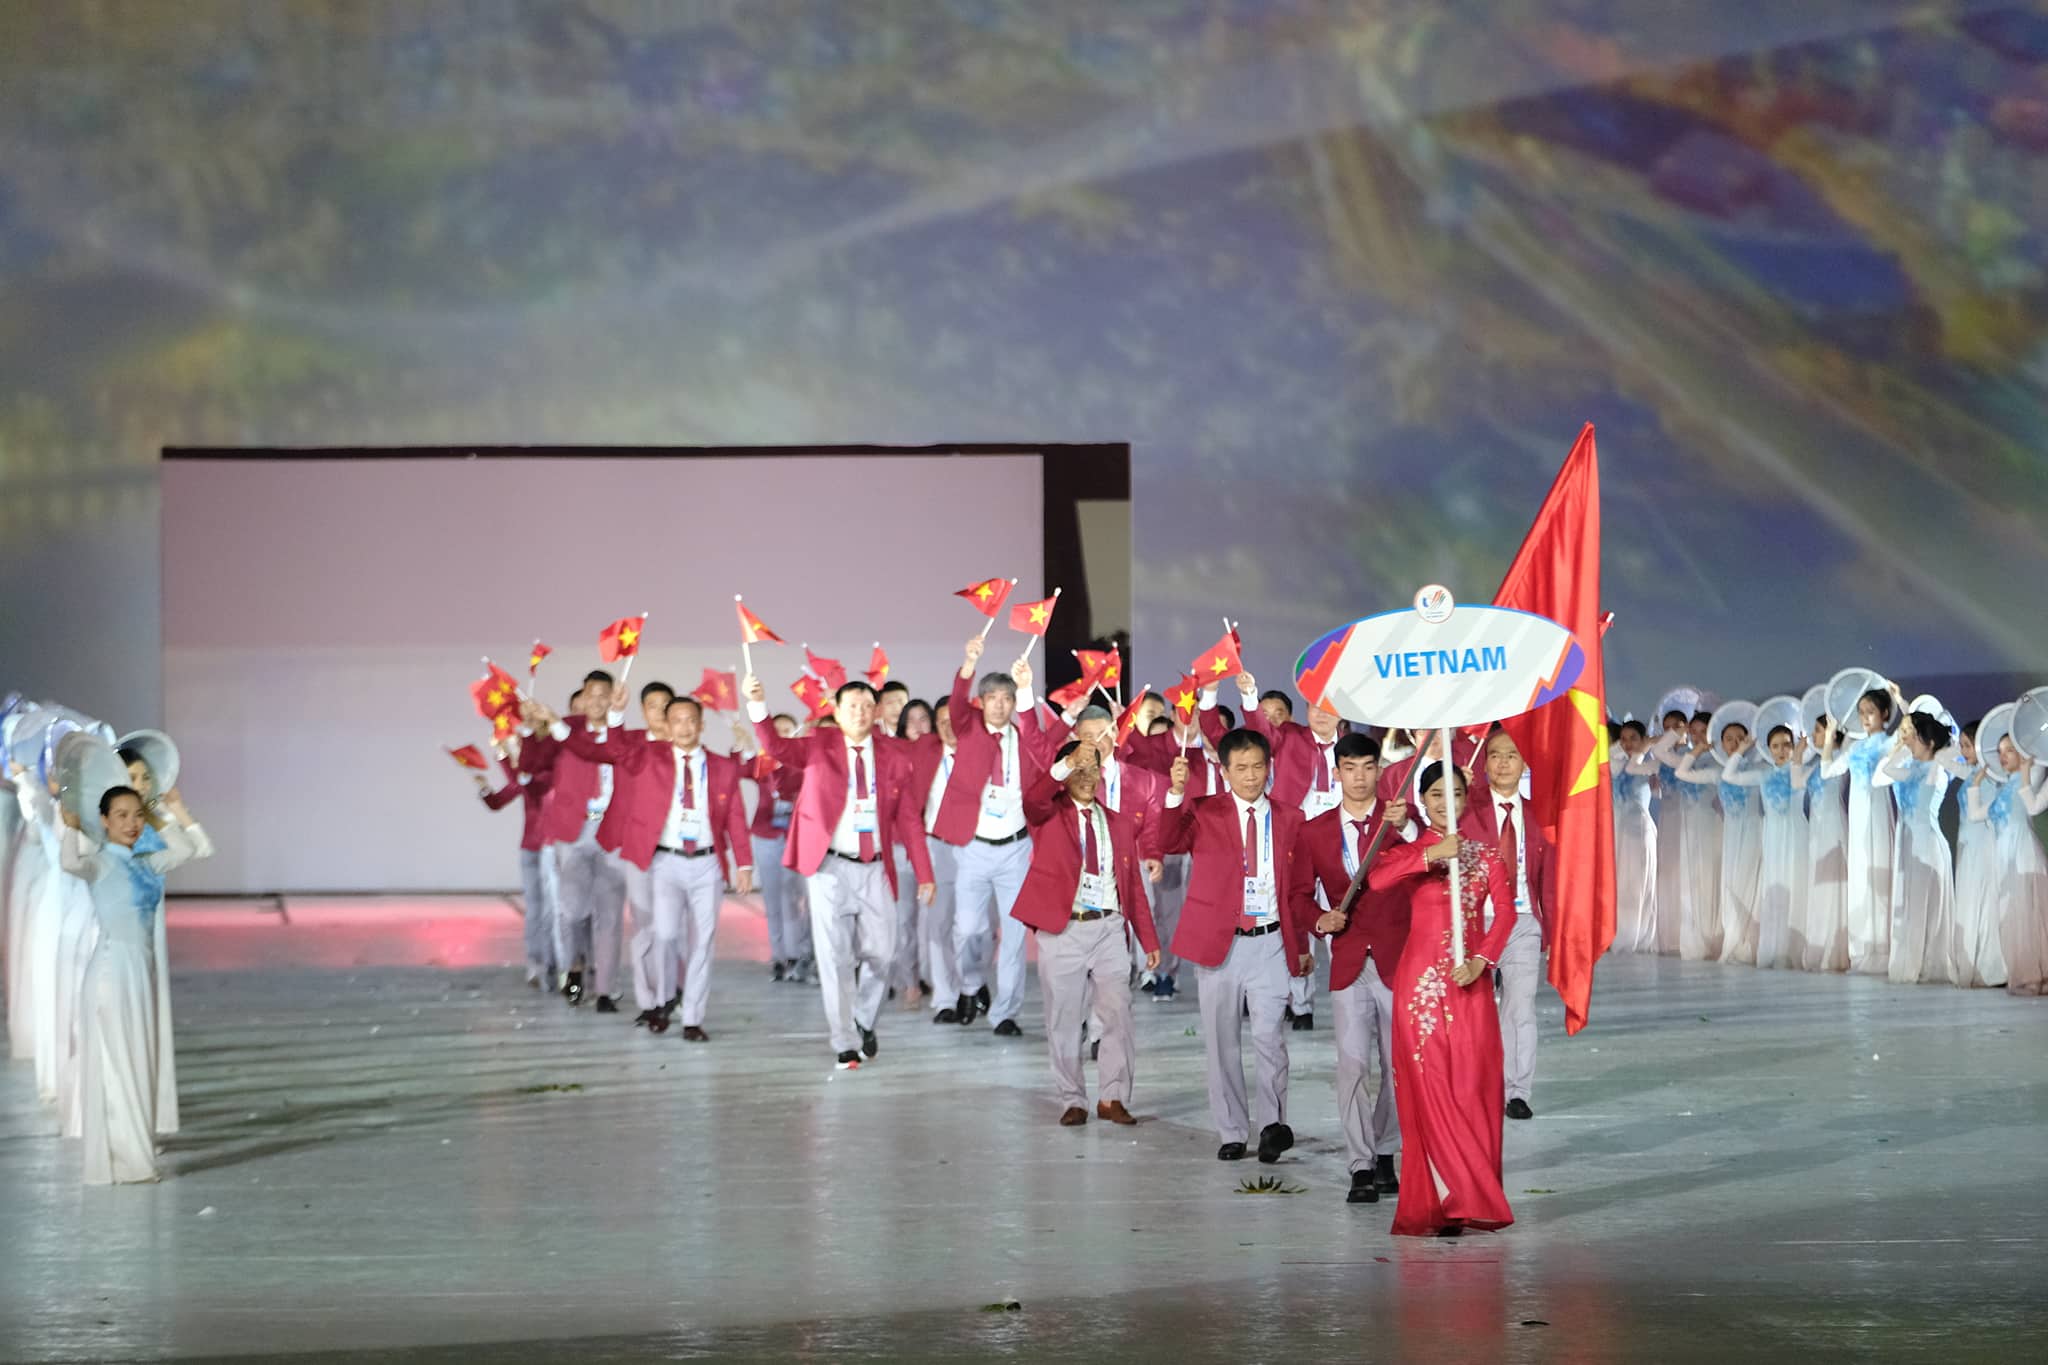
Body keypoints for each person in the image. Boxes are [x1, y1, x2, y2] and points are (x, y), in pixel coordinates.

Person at [745, 674, 934, 1070]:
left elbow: (909, 819)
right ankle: (844, 1040)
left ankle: (864, 1017)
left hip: (876, 866)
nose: (861, 713)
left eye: (867, 706)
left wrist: (925, 871)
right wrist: (758, 706)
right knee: (834, 956)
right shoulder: (819, 746)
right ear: (837, 710)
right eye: (852, 707)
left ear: (878, 711)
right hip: (830, 866)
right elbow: (777, 746)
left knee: (883, 952)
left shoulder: (896, 755)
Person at [1369, 761, 1519, 1238]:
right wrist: (1432, 855)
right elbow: (1377, 880)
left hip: (1469, 981)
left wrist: (1483, 960)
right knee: (1429, 1084)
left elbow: (1506, 917)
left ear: (1465, 798)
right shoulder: (1412, 851)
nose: (1444, 802)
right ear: (1422, 799)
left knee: (1472, 1085)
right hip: (1420, 989)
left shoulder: (1486, 855)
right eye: (1434, 794)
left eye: (1453, 793)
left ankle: (1468, 1195)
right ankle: (1443, 1195)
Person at [549, 694, 754, 1038]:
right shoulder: (648, 758)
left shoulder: (722, 767)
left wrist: (744, 862)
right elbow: (614, 749)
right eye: (678, 721)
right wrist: (615, 713)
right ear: (669, 727)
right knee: (664, 934)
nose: (685, 727)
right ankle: (660, 1002)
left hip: (707, 865)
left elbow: (735, 816)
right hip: (666, 862)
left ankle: (692, 1019)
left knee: (702, 942)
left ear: (701, 725)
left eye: (692, 720)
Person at [1159, 729, 1319, 1164]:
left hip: (1269, 941)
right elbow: (1168, 841)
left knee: (1271, 1038)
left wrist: (1300, 945)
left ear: (1270, 767)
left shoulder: (1291, 818)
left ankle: (1272, 1125)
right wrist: (1175, 793)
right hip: (1220, 944)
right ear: (1225, 771)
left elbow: (1300, 887)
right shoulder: (1205, 811)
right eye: (1241, 768)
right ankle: (1231, 1129)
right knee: (1221, 1040)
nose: (1251, 777)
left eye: (1258, 767)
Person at [63, 785, 208, 1184]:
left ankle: (134, 1156)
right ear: (105, 820)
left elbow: (192, 847)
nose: (131, 823)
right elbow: (70, 863)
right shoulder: (100, 863)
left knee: (138, 1062)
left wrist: (173, 809)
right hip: (112, 971)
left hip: (139, 970)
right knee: (118, 1064)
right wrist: (71, 825)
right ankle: (126, 1161)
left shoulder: (146, 862)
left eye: (137, 814)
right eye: (121, 815)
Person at [1015, 740, 1161, 1126]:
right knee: (1064, 1019)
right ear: (1065, 773)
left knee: (1118, 1013)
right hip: (1064, 929)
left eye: (1091, 768)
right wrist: (1064, 765)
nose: (1085, 777)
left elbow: (1131, 886)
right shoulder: (1047, 815)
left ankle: (1112, 1096)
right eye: (1077, 769)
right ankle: (1071, 1098)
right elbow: (1033, 799)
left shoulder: (1118, 822)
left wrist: (1148, 939)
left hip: (1109, 927)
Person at [1302, 733, 1413, 1204]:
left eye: (1369, 767)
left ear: (1379, 770)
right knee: (1352, 1065)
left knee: (1396, 1067)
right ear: (1338, 771)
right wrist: (1318, 919)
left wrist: (1408, 831)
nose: (1361, 777)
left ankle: (1386, 1149)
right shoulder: (1315, 830)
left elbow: (1429, 861)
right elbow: (1297, 895)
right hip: (1348, 958)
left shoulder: (1399, 823)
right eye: (1351, 768)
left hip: (1397, 957)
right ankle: (1360, 1164)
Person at [932, 636, 1042, 1035]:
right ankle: (970, 986)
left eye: (1006, 698)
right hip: (974, 848)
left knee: (1014, 936)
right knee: (969, 930)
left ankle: (1005, 1013)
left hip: (1015, 848)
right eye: (992, 697)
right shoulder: (969, 728)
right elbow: (957, 703)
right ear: (982, 701)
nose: (999, 704)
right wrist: (968, 663)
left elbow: (1048, 749)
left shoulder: (1025, 737)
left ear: (1014, 703)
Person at [1231, 671, 1345, 1029]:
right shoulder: (1291, 738)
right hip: (1294, 840)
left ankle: (1347, 995)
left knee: (1339, 919)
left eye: (1329, 708)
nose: (1321, 714)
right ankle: (1301, 1004)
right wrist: (1250, 692)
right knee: (1295, 918)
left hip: (1338, 844)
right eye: (1314, 707)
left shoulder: (1352, 749)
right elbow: (1262, 732)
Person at [1458, 730, 1555, 1121]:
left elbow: (1547, 877)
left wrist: (1550, 928)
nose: (1502, 763)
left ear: (1524, 763)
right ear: (1485, 763)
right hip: (1476, 922)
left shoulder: (1537, 815)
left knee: (1521, 1008)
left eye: (1512, 755)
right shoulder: (1467, 808)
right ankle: (1471, 1086)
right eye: (1495, 755)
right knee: (1473, 1011)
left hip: (1522, 922)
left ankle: (1517, 1091)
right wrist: (1455, 794)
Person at [536, 674, 628, 1009]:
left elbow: (605, 754)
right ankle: (574, 966)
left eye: (605, 695)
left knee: (610, 914)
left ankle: (605, 987)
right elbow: (532, 763)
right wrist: (538, 726)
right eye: (591, 695)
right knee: (573, 911)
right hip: (573, 832)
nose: (597, 701)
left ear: (615, 698)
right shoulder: (566, 735)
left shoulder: (623, 737)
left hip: (611, 831)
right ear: (583, 698)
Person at [476, 716, 559, 991]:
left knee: (553, 911)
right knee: (535, 909)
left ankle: (556, 962)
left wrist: (503, 756)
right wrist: (484, 788)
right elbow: (499, 801)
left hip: (552, 847)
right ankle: (536, 963)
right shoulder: (527, 777)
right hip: (529, 847)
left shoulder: (551, 774)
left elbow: (528, 783)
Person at [1875, 710, 1958, 985]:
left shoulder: (1937, 771)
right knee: (1911, 903)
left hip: (1928, 845)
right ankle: (1913, 961)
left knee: (1925, 907)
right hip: (1911, 844)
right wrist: (1901, 746)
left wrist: (1937, 748)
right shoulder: (1910, 768)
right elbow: (1887, 770)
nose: (1908, 739)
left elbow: (1943, 759)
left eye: (1914, 735)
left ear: (1930, 742)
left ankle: (1926, 962)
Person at [1821, 688, 1899, 975]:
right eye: (1862, 712)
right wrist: (1829, 738)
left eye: (1871, 712)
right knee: (1860, 878)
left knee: (1877, 871)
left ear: (1885, 715)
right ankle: (1862, 950)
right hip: (1858, 816)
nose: (1865, 718)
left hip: (1876, 813)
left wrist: (1901, 701)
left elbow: (1906, 734)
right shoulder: (1854, 747)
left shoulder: (1888, 742)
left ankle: (1882, 949)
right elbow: (1827, 771)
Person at [1718, 726, 1807, 968]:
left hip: (1796, 834)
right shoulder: (1763, 774)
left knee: (1795, 885)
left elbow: (1799, 785)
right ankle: (1774, 949)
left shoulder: (1801, 769)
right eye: (1776, 746)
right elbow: (1728, 776)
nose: (1781, 750)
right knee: (1775, 889)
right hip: (1773, 835)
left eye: (1787, 744)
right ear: (1768, 749)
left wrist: (1798, 757)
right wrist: (1742, 749)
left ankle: (1793, 949)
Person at [734, 712, 810, 983]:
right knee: (773, 900)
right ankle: (779, 957)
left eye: (787, 730)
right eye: (775, 731)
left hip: (796, 838)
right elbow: (739, 769)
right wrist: (740, 745)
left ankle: (799, 954)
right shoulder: (762, 764)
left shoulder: (802, 764)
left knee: (794, 900)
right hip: (766, 836)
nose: (780, 735)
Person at [1972, 734, 2048, 995]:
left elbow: (2034, 807)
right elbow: (1977, 814)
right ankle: (2023, 971)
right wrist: (1976, 784)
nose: (2003, 756)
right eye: (2001, 751)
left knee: (2028, 915)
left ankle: (2036, 975)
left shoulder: (2037, 772)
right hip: (2003, 855)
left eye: (2010, 751)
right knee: (2010, 916)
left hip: (2023, 850)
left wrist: (2027, 772)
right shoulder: (2004, 786)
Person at [1653, 717, 1723, 961]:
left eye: (1703, 731)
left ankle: (1713, 937)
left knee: (1709, 880)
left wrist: (1704, 745)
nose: (1697, 736)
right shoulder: (1685, 759)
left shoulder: (1718, 760)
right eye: (1693, 732)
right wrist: (1680, 731)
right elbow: (1659, 750)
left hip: (1711, 825)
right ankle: (1695, 938)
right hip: (1689, 828)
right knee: (1691, 882)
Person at [1951, 723, 2007, 989]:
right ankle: (1972, 961)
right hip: (1967, 843)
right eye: (1961, 745)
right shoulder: (1972, 773)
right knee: (1970, 900)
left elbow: (1987, 814)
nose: (1963, 750)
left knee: (1985, 901)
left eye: (1967, 745)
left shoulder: (1991, 778)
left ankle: (1991, 965)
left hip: (1982, 843)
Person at [1801, 716, 1852, 972]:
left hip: (1833, 824)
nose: (1814, 734)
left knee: (1833, 883)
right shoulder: (1814, 763)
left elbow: (1850, 741)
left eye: (1818, 730)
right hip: (1816, 828)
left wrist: (1834, 732)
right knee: (1818, 883)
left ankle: (1836, 946)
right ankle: (1819, 942)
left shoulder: (1840, 755)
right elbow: (1796, 782)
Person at [1610, 721, 1660, 955]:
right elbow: (1613, 759)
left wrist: (1647, 747)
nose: (1627, 743)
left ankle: (1636, 935)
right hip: (1616, 830)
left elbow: (1655, 787)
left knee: (1636, 884)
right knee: (1618, 883)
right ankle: (1616, 933)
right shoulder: (1615, 763)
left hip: (1639, 829)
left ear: (1643, 739)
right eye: (1623, 738)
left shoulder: (1649, 763)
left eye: (1633, 738)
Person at [1650, 709, 1690, 955]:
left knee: (1685, 872)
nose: (1671, 732)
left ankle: (1686, 932)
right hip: (1667, 816)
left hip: (1687, 817)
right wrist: (1654, 786)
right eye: (1667, 728)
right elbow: (1655, 792)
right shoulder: (1662, 760)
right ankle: (1670, 932)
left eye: (1676, 726)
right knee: (1669, 873)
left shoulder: (1689, 755)